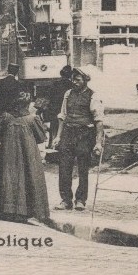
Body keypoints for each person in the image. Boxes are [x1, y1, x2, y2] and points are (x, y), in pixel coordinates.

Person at [0, 92, 51, 223]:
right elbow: (41, 138)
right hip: (28, 154)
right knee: (28, 177)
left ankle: (4, 210)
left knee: (6, 177)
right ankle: (26, 211)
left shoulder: (5, 117)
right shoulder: (31, 119)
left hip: (7, 154)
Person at [54, 68, 104, 211]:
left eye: (78, 80)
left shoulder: (93, 96)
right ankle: (65, 200)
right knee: (64, 167)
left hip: (84, 135)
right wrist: (58, 136)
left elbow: (99, 121)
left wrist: (98, 143)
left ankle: (81, 200)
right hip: (68, 134)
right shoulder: (68, 94)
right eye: (73, 79)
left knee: (83, 168)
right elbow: (62, 116)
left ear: (85, 81)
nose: (74, 82)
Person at [46, 65, 75, 149]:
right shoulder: (72, 85)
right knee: (64, 130)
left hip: (55, 111)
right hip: (66, 111)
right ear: (70, 75)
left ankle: (52, 148)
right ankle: (63, 148)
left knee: (54, 130)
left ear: (61, 74)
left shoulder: (55, 84)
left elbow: (49, 97)